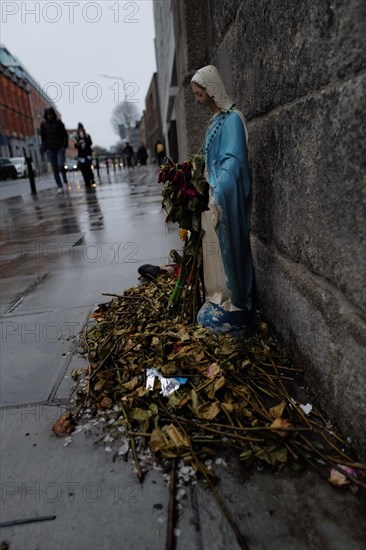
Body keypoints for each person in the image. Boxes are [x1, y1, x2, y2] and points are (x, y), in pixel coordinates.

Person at [191, 65, 254, 337]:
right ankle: (222, 298)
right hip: (213, 198)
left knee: (231, 252)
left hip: (225, 198)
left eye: (199, 94)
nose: (197, 100)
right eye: (194, 95)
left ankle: (238, 304)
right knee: (216, 255)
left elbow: (234, 161)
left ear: (212, 89)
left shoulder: (232, 120)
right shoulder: (214, 122)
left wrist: (220, 188)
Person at [40, 107, 68, 194]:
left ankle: (65, 180)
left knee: (61, 165)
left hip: (59, 148)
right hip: (50, 149)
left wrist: (64, 145)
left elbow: (65, 135)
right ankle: (59, 186)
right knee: (55, 169)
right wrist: (45, 148)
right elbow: (43, 137)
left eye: (50, 114)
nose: (49, 116)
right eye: (48, 115)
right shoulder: (43, 125)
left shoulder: (59, 123)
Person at [74, 123, 94, 188]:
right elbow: (76, 146)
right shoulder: (77, 137)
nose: (80, 131)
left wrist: (85, 139)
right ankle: (87, 181)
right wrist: (78, 142)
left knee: (88, 168)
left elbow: (90, 143)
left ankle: (91, 179)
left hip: (88, 155)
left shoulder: (87, 136)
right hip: (81, 156)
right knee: (83, 169)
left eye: (81, 129)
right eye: (79, 130)